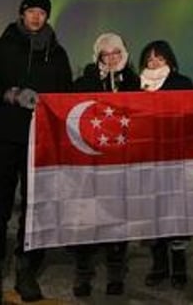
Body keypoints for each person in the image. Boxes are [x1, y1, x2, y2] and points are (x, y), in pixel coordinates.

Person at [0, 0, 73, 304]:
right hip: (3, 138)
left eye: (43, 13)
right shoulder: (1, 47)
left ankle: (27, 269)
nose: (36, 17)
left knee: (36, 209)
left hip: (39, 143)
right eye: (32, 11)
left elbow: (66, 97)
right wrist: (9, 95)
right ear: (21, 13)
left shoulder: (57, 55)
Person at [71, 32, 140, 297]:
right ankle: (83, 272)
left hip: (120, 162)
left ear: (123, 55)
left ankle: (115, 270)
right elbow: (68, 110)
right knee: (86, 217)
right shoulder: (84, 82)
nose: (111, 58)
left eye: (116, 53)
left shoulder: (133, 83)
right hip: (89, 161)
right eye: (105, 54)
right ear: (98, 56)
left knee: (116, 217)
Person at [137, 40, 193, 289]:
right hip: (147, 158)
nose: (154, 63)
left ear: (169, 59)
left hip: (176, 158)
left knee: (176, 212)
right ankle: (158, 265)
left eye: (159, 58)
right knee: (153, 211)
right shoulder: (137, 86)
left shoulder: (181, 83)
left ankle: (179, 266)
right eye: (149, 59)